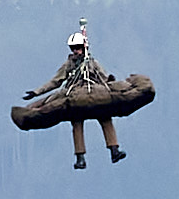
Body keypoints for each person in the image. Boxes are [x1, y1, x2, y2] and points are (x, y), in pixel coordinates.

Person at [16, 24, 131, 167]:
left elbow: (104, 78)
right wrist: (36, 92)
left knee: (105, 117)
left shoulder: (92, 63)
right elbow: (55, 81)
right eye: (73, 48)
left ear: (84, 48)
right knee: (77, 122)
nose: (76, 51)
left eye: (78, 47)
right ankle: (80, 158)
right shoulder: (69, 65)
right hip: (75, 95)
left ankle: (114, 150)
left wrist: (112, 84)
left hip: (94, 92)